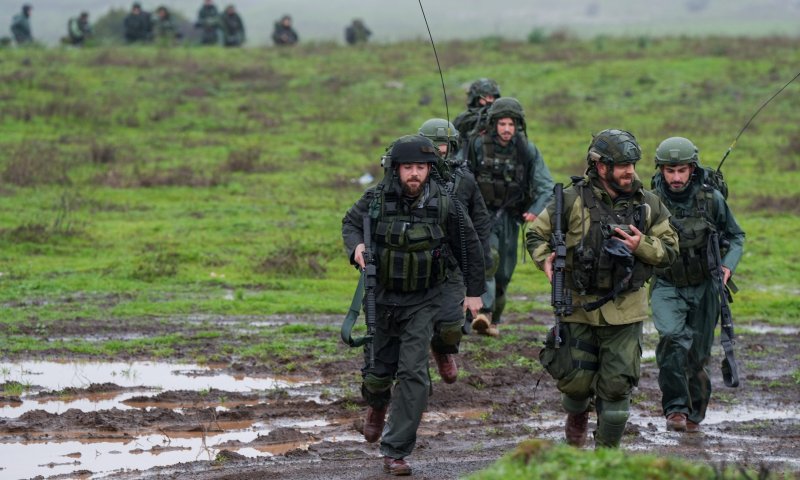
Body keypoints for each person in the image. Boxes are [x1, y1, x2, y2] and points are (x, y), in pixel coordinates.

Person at [525, 129, 679, 448]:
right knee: (575, 384)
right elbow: (535, 234)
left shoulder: (648, 204)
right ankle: (577, 414)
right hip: (577, 307)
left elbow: (671, 248)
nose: (630, 171)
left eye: (632, 164)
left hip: (625, 312)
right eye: (622, 165)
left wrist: (642, 245)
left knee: (617, 387)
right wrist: (546, 261)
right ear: (600, 166)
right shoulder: (569, 200)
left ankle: (606, 458)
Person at [342, 135, 485, 476]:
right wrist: (357, 248)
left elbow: (470, 246)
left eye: (421, 167)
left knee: (413, 375)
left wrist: (474, 292)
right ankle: (377, 406)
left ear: (429, 170)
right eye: (408, 167)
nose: (414, 174)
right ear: (396, 169)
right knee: (378, 375)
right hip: (382, 298)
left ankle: (396, 451)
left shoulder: (445, 202)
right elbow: (349, 223)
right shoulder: (375, 199)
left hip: (424, 301)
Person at [649, 137, 745, 433]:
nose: (675, 178)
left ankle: (694, 415)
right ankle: (675, 408)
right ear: (661, 171)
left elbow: (737, 236)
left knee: (697, 357)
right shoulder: (650, 201)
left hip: (705, 286)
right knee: (671, 338)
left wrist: (727, 265)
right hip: (667, 283)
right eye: (669, 171)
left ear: (692, 168)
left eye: (681, 170)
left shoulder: (711, 199)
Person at [466, 97, 554, 337]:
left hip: (511, 219)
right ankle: (482, 312)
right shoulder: (476, 146)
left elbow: (546, 186)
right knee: (489, 261)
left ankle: (493, 320)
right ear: (493, 124)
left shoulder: (527, 150)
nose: (506, 129)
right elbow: (462, 177)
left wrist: (535, 209)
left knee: (504, 273)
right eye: (502, 123)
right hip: (482, 217)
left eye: (511, 124)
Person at [418, 118, 492, 384]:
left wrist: (479, 260)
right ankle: (415, 376)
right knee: (414, 327)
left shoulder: (465, 180)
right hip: (415, 261)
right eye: (434, 145)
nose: (440, 150)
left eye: (444, 145)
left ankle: (442, 351)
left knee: (451, 328)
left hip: (451, 264)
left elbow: (480, 224)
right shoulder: (411, 176)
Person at [453, 78, 500, 148]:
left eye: (492, 97)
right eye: (485, 96)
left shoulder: (500, 117)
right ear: (476, 98)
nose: (490, 100)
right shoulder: (464, 118)